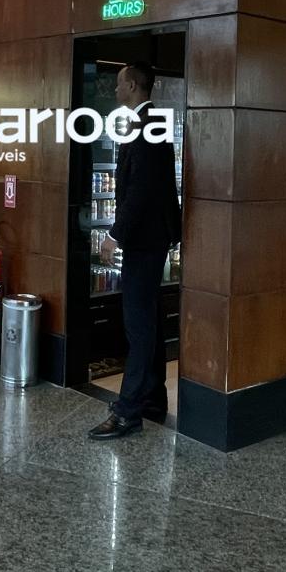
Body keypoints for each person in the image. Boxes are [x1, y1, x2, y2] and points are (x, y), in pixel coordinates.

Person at [89, 62, 182, 440]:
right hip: (152, 237)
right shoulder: (151, 121)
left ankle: (128, 411)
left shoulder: (146, 125)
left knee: (139, 324)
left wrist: (115, 235)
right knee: (149, 320)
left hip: (144, 239)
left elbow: (141, 189)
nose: (114, 90)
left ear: (131, 85)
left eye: (118, 84)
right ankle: (153, 399)